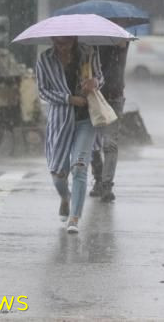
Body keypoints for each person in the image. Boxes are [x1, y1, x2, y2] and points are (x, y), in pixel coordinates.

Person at [35, 36, 103, 234]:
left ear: (73, 40)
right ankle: (65, 198)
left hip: (86, 120)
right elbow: (43, 91)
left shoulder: (89, 54)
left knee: (80, 167)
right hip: (60, 120)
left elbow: (100, 77)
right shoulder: (45, 59)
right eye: (56, 42)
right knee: (58, 174)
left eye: (64, 43)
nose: (60, 47)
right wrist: (68, 99)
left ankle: (74, 218)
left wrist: (94, 82)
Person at [89, 42, 129, 203]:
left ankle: (106, 185)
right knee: (92, 142)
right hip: (96, 97)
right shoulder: (93, 45)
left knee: (110, 143)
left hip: (115, 97)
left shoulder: (121, 42)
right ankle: (98, 178)